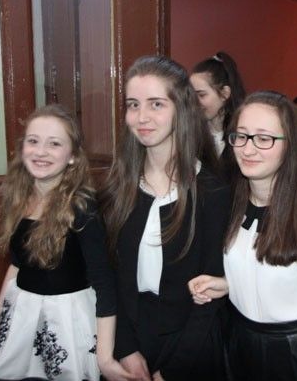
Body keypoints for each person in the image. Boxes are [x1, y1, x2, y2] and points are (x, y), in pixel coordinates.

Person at [189, 91, 297, 381]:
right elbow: (264, 272)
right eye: (241, 136)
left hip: (295, 354)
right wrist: (228, 284)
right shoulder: (229, 206)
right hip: (237, 346)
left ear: (290, 145)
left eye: (264, 138)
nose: (248, 149)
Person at [0, 104, 130, 381]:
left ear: (73, 157)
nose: (41, 151)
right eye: (33, 141)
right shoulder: (19, 197)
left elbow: (104, 283)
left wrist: (105, 357)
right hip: (22, 315)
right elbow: (16, 266)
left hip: (66, 321)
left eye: (54, 144)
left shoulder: (82, 208)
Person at [99, 56, 231, 381]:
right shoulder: (117, 189)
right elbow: (109, 278)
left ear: (181, 109)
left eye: (156, 104)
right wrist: (125, 349)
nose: (141, 117)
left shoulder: (213, 192)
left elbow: (210, 297)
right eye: (133, 105)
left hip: (191, 350)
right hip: (129, 341)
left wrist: (170, 372)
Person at [190, 51, 246, 157]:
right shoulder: (190, 134)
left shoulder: (243, 135)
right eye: (191, 95)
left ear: (225, 93)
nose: (194, 102)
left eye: (201, 95)